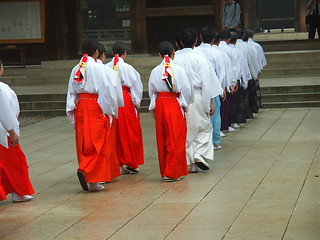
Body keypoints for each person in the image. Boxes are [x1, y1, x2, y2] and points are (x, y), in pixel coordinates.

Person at [66, 39, 123, 192]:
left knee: (84, 142)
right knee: (98, 142)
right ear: (97, 52)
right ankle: (88, 172)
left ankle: (90, 178)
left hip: (81, 105)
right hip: (95, 106)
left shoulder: (76, 68)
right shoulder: (100, 69)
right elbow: (107, 92)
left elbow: (71, 93)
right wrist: (110, 111)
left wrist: (71, 111)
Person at [174, 28, 221, 173]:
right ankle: (199, 153)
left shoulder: (175, 58)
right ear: (196, 41)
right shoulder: (200, 57)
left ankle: (191, 162)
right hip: (199, 94)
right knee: (204, 127)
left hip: (181, 97)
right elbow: (207, 82)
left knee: (187, 129)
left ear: (180, 42)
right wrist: (210, 102)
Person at [148, 41, 193, 181]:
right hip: (174, 103)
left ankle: (167, 169)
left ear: (159, 54)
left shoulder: (155, 71)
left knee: (164, 137)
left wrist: (154, 108)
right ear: (174, 52)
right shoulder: (179, 70)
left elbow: (151, 91)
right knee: (176, 137)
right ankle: (173, 171)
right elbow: (186, 90)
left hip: (161, 103)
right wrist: (184, 105)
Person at [106, 42, 144, 174]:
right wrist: (135, 103)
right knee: (129, 131)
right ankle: (130, 160)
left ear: (112, 53)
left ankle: (117, 164)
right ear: (125, 53)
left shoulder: (106, 67)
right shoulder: (128, 68)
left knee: (113, 132)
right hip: (125, 100)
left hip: (111, 99)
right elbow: (136, 87)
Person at [0, 59, 35, 202]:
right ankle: (20, 192)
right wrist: (12, 131)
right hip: (3, 132)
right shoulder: (2, 88)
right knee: (16, 163)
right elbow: (6, 111)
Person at [197, 26, 226, 150]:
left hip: (198, 88)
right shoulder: (218, 53)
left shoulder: (196, 51)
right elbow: (221, 73)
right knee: (215, 116)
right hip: (213, 87)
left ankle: (203, 140)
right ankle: (214, 140)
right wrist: (221, 87)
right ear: (214, 39)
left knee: (201, 115)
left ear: (201, 38)